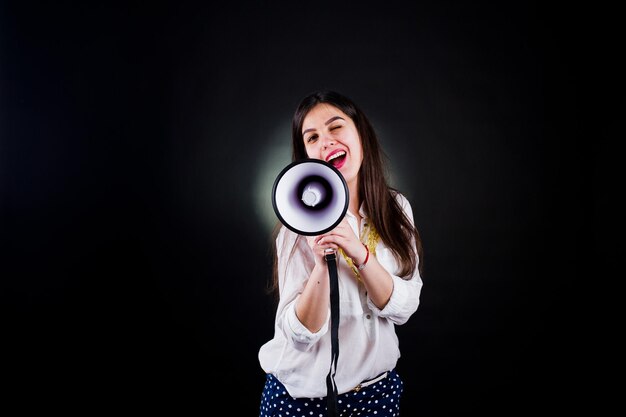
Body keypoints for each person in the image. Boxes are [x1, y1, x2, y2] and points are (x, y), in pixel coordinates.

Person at [258, 90, 424, 417]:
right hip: (301, 401)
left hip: (377, 395)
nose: (326, 142)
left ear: (360, 133)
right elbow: (300, 336)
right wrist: (322, 264)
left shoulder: (396, 209)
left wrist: (359, 252)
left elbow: (404, 308)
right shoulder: (297, 224)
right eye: (313, 137)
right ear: (306, 155)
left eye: (336, 128)